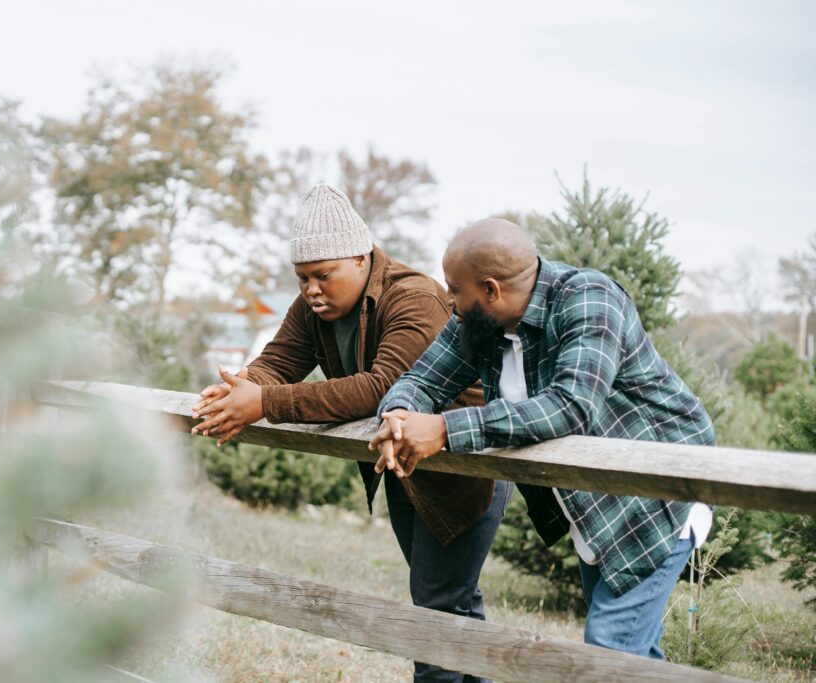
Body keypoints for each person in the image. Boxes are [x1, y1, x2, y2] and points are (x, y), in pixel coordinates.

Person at [192, 184, 512, 683]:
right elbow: (279, 361)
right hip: (407, 469)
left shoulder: (415, 297)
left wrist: (265, 403)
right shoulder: (312, 308)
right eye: (302, 278)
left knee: (434, 614)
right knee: (450, 607)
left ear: (362, 259)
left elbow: (383, 387)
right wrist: (241, 389)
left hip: (463, 470)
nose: (311, 289)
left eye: (324, 275)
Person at [370, 218, 715, 660]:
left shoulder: (589, 298)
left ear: (491, 290)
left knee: (610, 649)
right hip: (593, 503)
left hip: (657, 491)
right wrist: (398, 415)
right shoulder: (480, 323)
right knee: (635, 655)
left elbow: (571, 406)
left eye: (456, 291)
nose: (450, 303)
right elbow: (421, 379)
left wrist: (444, 429)